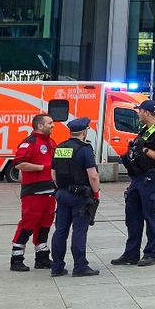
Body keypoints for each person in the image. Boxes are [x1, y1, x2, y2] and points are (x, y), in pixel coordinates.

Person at [112, 100, 155, 266]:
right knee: (132, 217)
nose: (138, 113)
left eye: (139, 111)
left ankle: (150, 253)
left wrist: (144, 150)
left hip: (152, 180)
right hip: (138, 178)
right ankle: (130, 254)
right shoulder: (146, 130)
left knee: (150, 218)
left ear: (146, 112)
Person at [48, 117, 101, 277]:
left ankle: (57, 267)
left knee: (60, 231)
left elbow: (53, 173)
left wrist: (61, 189)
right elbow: (92, 175)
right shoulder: (85, 149)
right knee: (79, 230)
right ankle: (80, 266)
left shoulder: (61, 147)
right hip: (80, 196)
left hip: (62, 194)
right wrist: (96, 193)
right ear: (84, 132)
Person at [9, 114, 57, 272]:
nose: (53, 125)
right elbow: (19, 164)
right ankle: (16, 259)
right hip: (33, 191)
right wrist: (41, 168)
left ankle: (42, 258)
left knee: (45, 224)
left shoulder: (51, 142)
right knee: (28, 224)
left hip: (50, 191)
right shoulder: (28, 143)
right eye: (50, 123)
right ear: (40, 126)